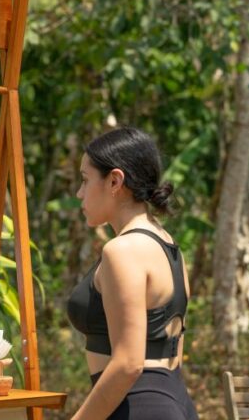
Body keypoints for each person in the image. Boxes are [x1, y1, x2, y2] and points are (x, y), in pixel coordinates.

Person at [66, 127, 199, 420]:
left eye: (86, 181)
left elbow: (128, 364)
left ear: (115, 180)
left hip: (137, 408)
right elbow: (173, 350)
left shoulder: (122, 251)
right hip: (174, 403)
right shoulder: (168, 245)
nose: (79, 193)